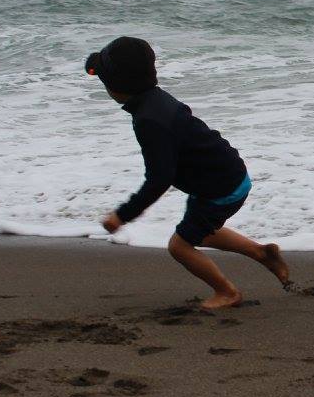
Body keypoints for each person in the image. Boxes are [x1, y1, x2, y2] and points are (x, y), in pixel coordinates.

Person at [85, 37, 288, 309]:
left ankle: (227, 292)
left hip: (219, 188)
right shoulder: (155, 100)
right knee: (202, 230)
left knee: (179, 247)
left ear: (115, 85)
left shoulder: (149, 120)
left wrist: (122, 215)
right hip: (226, 174)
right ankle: (262, 253)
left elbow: (159, 178)